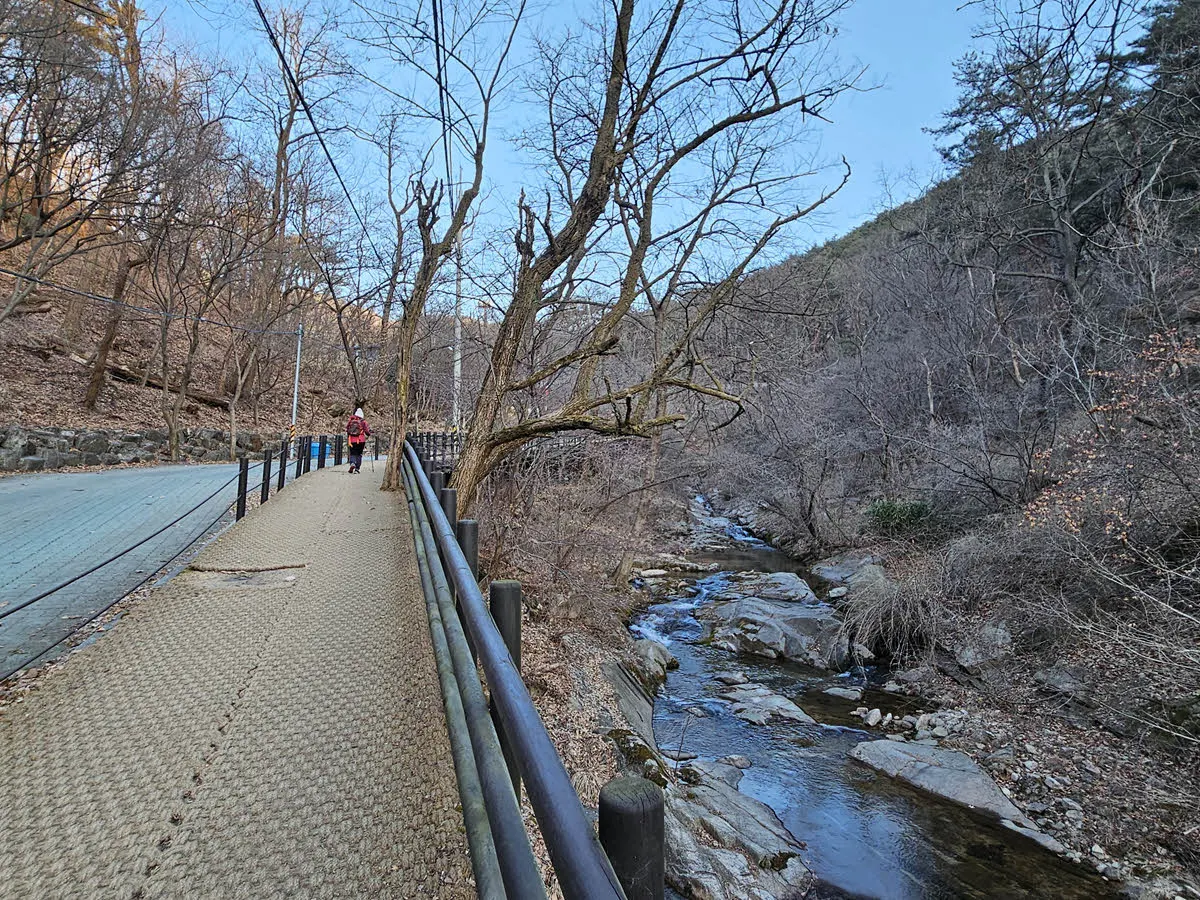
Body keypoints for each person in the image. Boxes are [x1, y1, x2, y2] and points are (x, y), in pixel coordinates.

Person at [346, 407, 371, 474]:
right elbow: (367, 431)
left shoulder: (351, 421)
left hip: (352, 440)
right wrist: (369, 433)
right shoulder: (363, 422)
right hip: (361, 440)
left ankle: (352, 463)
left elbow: (347, 429)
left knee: (353, 453)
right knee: (359, 454)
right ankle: (357, 469)